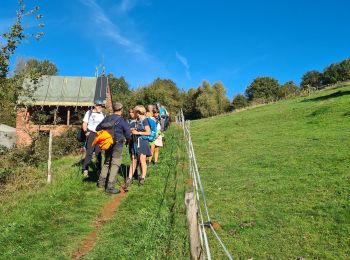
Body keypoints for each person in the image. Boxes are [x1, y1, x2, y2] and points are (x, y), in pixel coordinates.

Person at [96, 102, 131, 194]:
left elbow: (97, 128)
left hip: (108, 143)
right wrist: (128, 140)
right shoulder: (122, 120)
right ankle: (110, 187)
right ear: (121, 109)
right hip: (117, 144)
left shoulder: (107, 118)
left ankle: (101, 183)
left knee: (107, 162)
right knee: (115, 164)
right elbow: (127, 133)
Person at [125, 105, 151, 187]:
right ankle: (129, 178)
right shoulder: (134, 121)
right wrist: (130, 132)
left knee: (142, 160)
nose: (133, 113)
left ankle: (142, 178)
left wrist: (138, 133)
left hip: (142, 142)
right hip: (134, 142)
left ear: (138, 112)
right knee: (134, 160)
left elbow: (148, 132)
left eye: (135, 111)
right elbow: (131, 130)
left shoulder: (145, 120)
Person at [82, 99, 105, 177]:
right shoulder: (89, 113)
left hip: (100, 135)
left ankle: (98, 170)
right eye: (99, 105)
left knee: (99, 153)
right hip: (91, 133)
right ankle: (85, 169)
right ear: (95, 105)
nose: (100, 107)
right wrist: (86, 132)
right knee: (89, 152)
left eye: (101, 105)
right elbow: (85, 123)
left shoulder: (103, 114)